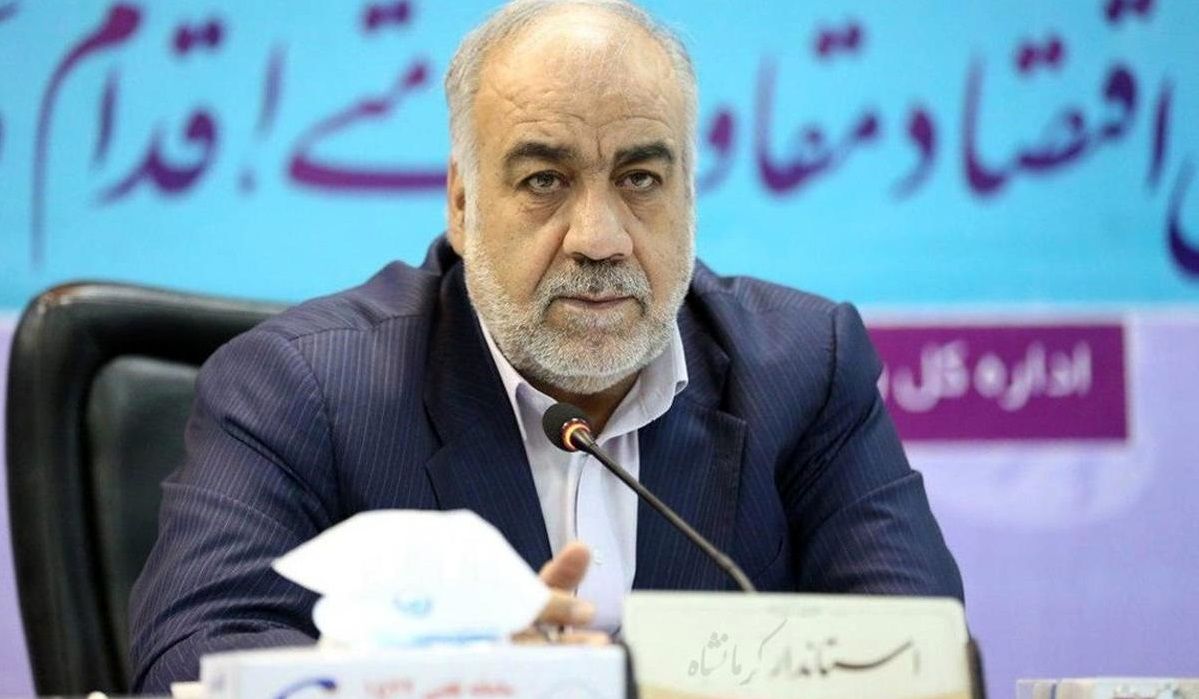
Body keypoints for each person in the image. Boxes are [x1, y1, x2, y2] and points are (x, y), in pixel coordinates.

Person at [129, 0, 963, 691]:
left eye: (640, 179)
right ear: (462, 205)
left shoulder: (804, 368)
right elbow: (192, 661)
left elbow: (921, 658)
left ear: (688, 196)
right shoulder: (302, 386)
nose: (599, 238)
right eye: (544, 180)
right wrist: (461, 678)